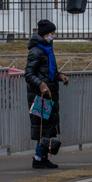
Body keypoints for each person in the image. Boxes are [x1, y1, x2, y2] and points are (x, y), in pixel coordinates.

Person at [26, 19, 69, 169]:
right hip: (40, 95)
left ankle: (43, 157)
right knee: (42, 128)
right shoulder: (36, 51)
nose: (53, 36)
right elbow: (29, 74)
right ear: (44, 34)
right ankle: (39, 158)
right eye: (51, 33)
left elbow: (49, 72)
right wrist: (41, 84)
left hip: (49, 94)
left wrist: (60, 76)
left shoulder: (47, 50)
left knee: (48, 127)